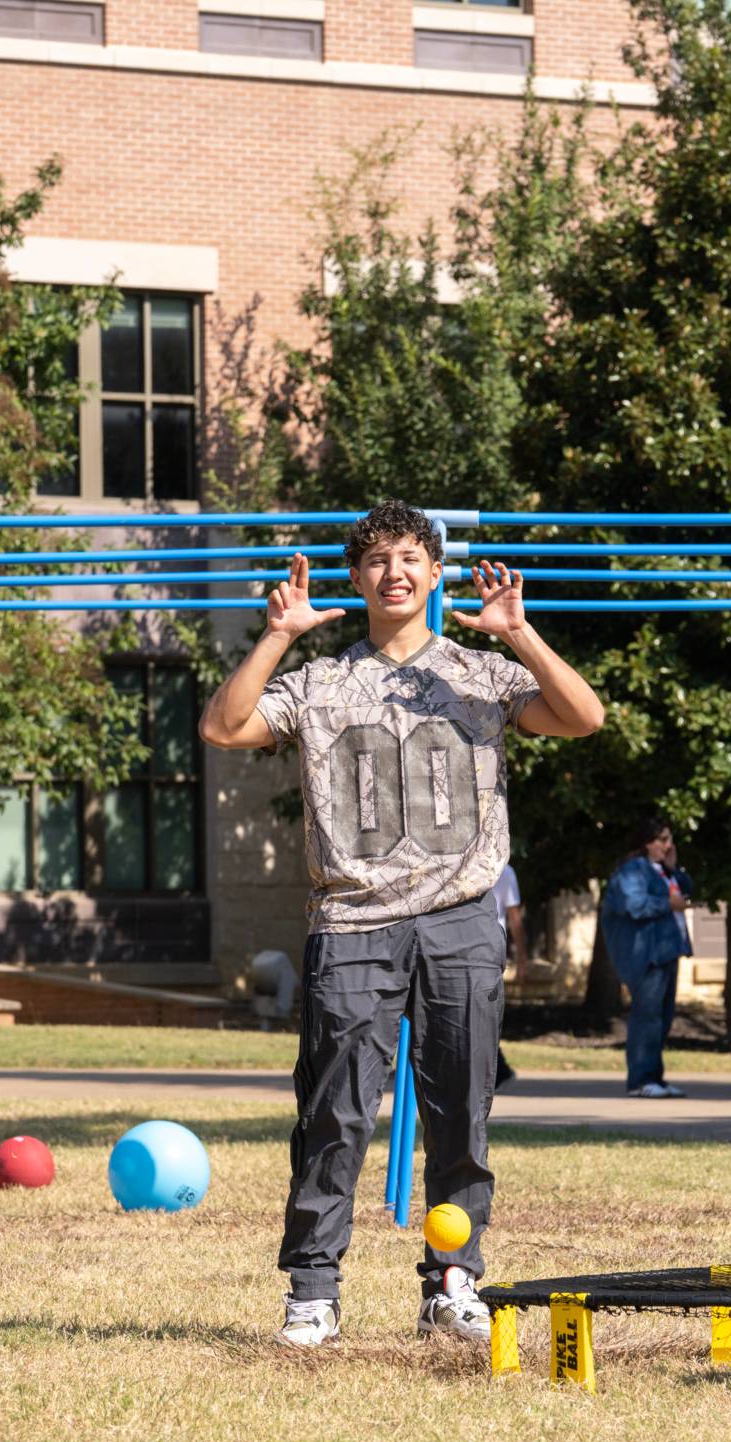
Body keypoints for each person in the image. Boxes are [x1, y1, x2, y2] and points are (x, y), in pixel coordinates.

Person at [199, 500, 605, 1349]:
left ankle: (453, 1282)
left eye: (412, 557)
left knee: (462, 1110)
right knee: (335, 1112)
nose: (395, 572)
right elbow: (223, 726)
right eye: (379, 559)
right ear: (356, 577)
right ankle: (314, 1292)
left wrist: (520, 634)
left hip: (462, 918)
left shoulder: (479, 674)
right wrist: (277, 636)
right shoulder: (320, 684)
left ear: (435, 572)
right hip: (352, 921)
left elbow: (583, 716)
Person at [600, 816, 693, 1100]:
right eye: (662, 839)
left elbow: (687, 890)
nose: (668, 845)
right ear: (646, 843)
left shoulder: (662, 870)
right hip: (647, 954)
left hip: (666, 952)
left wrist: (674, 868)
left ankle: (655, 1078)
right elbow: (633, 905)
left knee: (662, 1018)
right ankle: (640, 1080)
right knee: (647, 1018)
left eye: (670, 839)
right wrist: (667, 904)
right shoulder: (633, 870)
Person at [491, 863, 525, 1089]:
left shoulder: (505, 871)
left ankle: (498, 1068)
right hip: (482, 949)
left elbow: (514, 917)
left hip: (490, 951)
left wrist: (522, 958)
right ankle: (498, 1068)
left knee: (487, 1012)